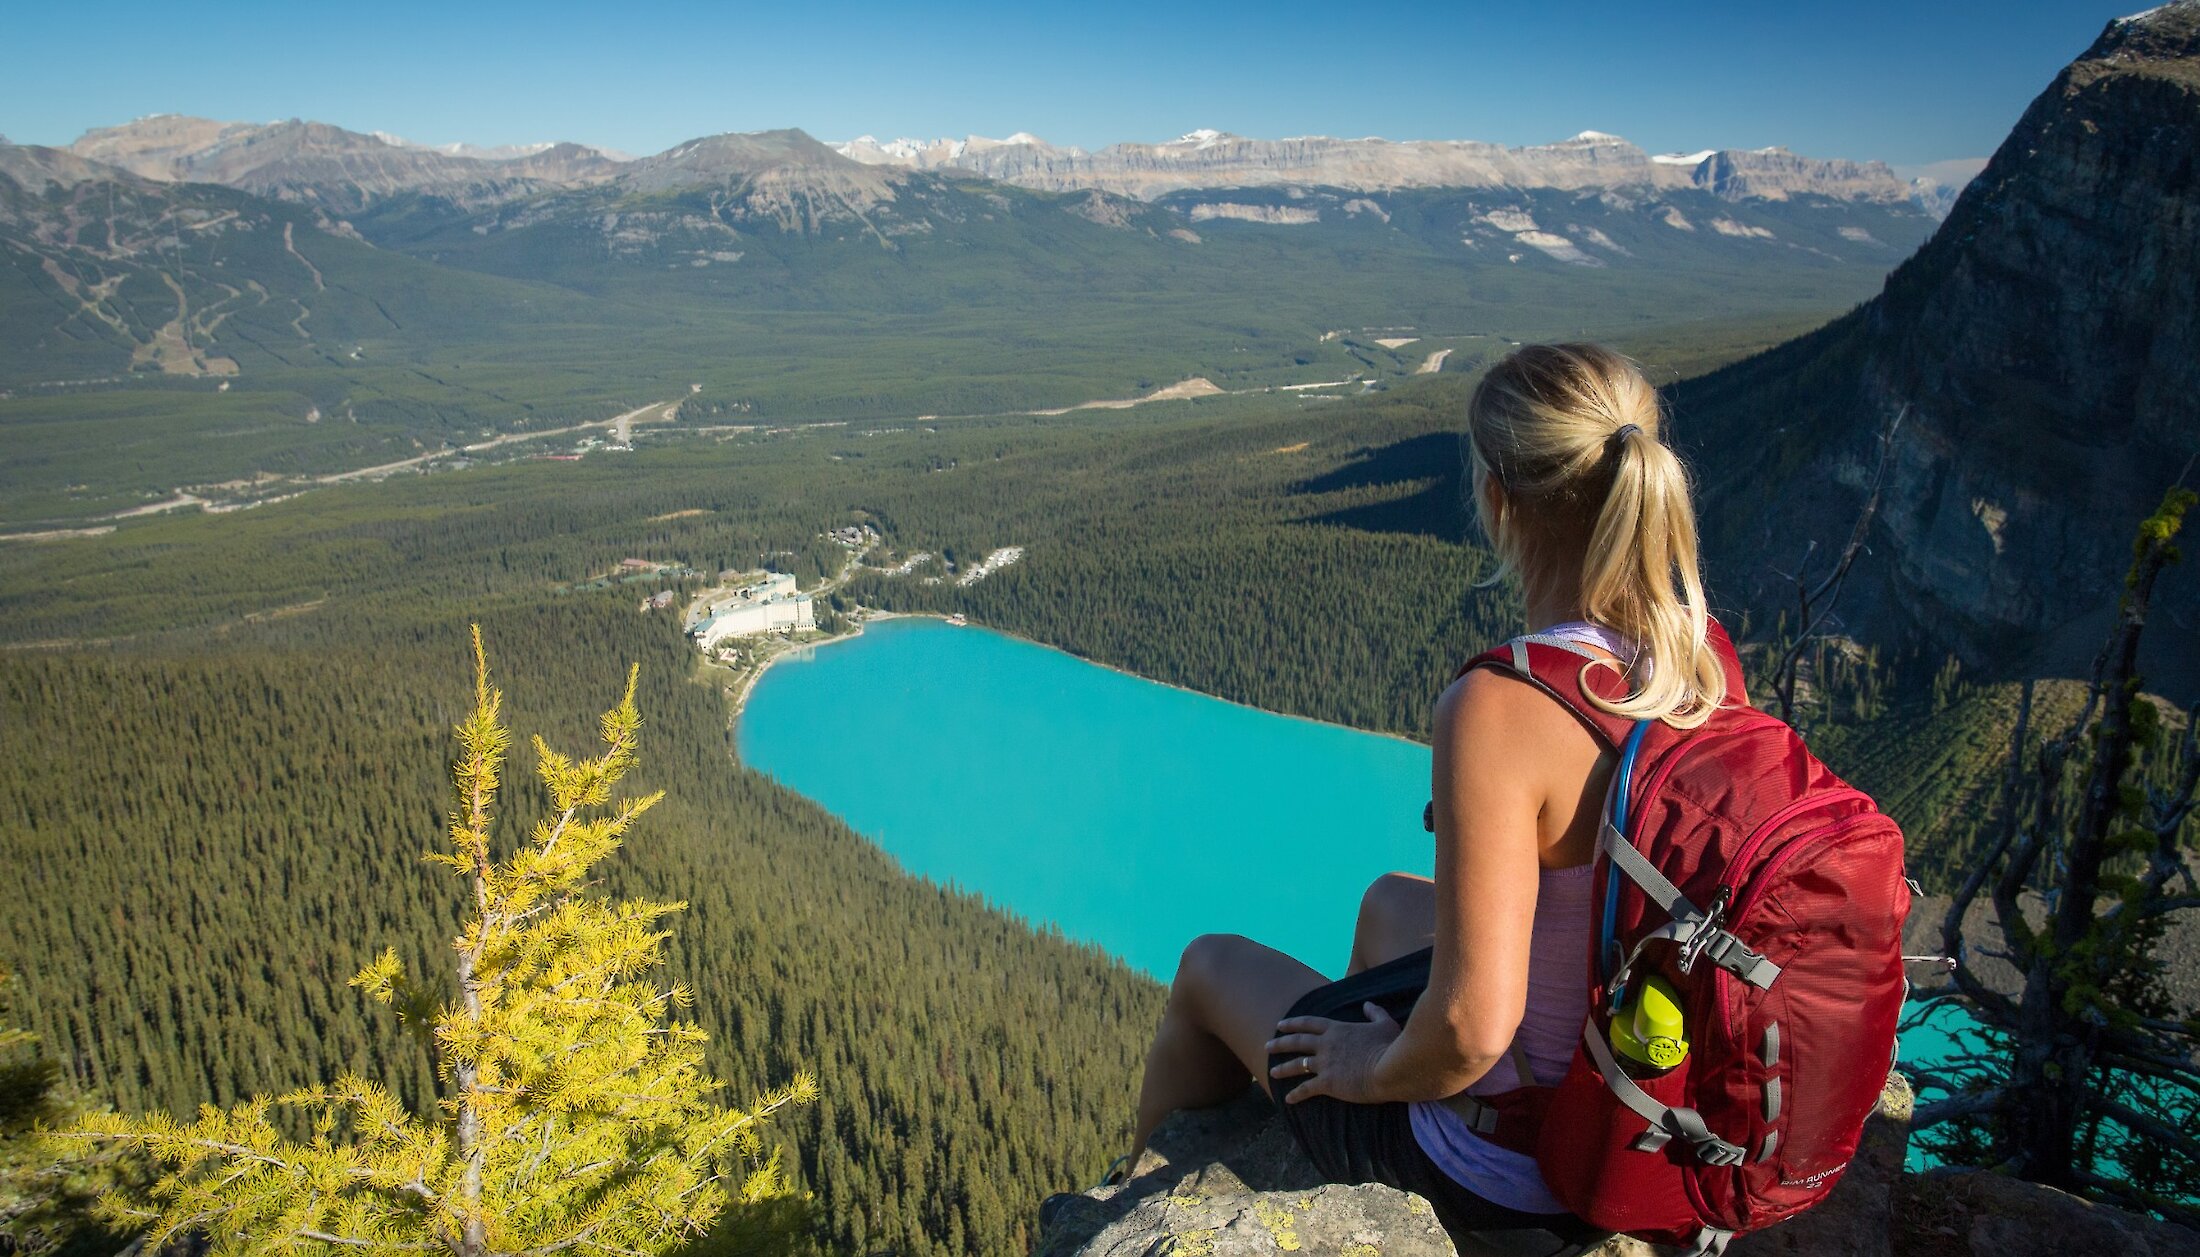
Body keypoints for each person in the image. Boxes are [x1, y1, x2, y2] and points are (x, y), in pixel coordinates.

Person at [1120, 343, 1735, 1257]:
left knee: (1209, 966)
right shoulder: (1704, 657)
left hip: (1519, 1169)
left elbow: (1473, 1029)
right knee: (1385, 903)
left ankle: (1129, 1206)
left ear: (1498, 499)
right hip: (1648, 1105)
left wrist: (1367, 1067)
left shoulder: (1503, 705)